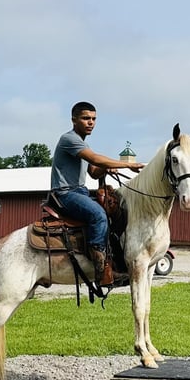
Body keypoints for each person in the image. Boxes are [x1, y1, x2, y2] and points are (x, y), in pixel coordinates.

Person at [50, 101, 145, 285]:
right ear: (74, 120)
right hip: (65, 193)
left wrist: (105, 169)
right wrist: (128, 164)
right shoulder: (69, 139)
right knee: (99, 215)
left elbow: (94, 171)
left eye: (93, 119)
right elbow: (94, 158)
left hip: (80, 191)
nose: (91, 122)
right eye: (86, 118)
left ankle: (117, 261)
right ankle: (102, 271)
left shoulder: (81, 143)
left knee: (115, 210)